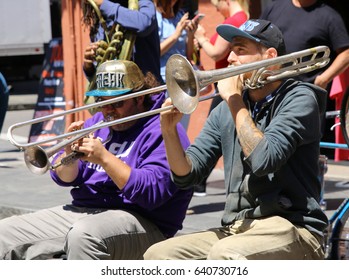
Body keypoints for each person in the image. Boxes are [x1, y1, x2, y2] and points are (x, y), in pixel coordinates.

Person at [144, 19, 328, 260]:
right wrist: (168, 131)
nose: (230, 58)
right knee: (158, 255)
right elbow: (187, 175)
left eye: (240, 50)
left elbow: (264, 160)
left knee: (225, 254)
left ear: (269, 57)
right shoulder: (227, 107)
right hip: (237, 228)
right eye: (231, 49)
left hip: (294, 227)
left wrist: (233, 99)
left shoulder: (299, 98)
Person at [0, 60, 193, 260]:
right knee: (4, 233)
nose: (108, 111)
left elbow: (150, 194)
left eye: (117, 103)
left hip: (144, 220)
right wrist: (68, 155)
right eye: (102, 102)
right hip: (87, 212)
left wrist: (104, 158)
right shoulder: (98, 122)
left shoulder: (161, 128)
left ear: (139, 98)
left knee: (84, 235)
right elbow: (64, 178)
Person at [259, 0, 349, 159]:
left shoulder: (329, 16)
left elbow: (346, 53)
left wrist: (324, 78)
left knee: (300, 157)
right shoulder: (274, 7)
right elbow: (256, 41)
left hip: (304, 99)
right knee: (264, 148)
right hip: (268, 95)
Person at [192, 0, 249, 196]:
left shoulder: (236, 19)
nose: (215, 8)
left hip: (228, 82)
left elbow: (216, 54)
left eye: (217, 3)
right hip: (226, 82)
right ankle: (198, 181)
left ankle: (197, 181)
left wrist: (201, 37)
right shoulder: (240, 18)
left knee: (213, 132)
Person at [82, 0, 162, 83]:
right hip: (116, 93)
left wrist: (104, 5)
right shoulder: (100, 20)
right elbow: (101, 73)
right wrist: (89, 68)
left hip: (148, 90)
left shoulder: (144, 3)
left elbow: (143, 23)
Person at [154, 0, 200, 132]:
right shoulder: (153, 17)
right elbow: (154, 52)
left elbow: (188, 54)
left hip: (184, 81)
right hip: (163, 82)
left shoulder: (180, 15)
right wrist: (176, 34)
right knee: (162, 128)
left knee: (181, 129)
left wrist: (190, 35)